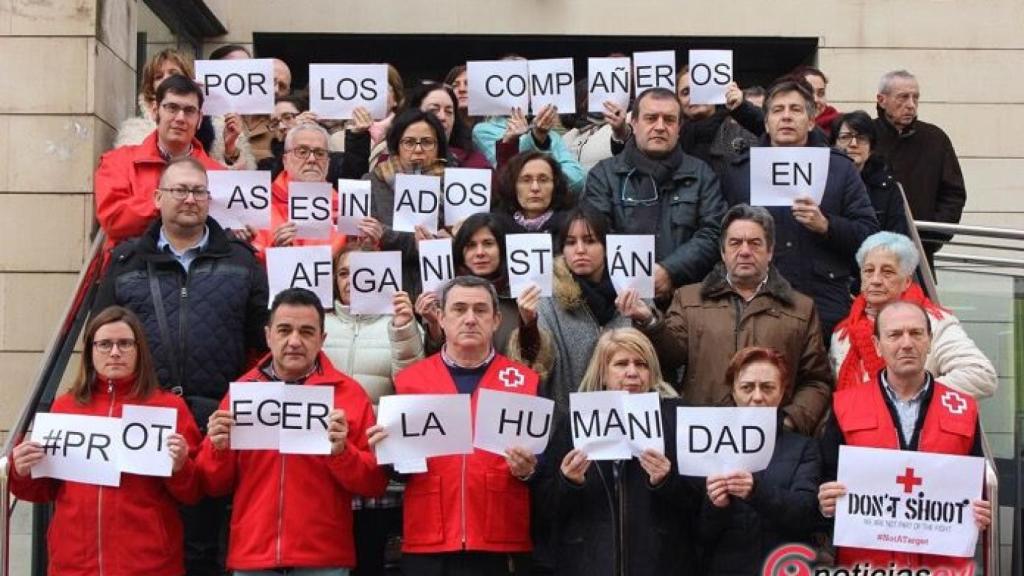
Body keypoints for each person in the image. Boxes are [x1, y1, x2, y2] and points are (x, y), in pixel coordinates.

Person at [92, 157, 269, 575]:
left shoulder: (243, 261)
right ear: (157, 198)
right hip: (141, 419)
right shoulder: (126, 261)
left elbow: (262, 344)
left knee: (204, 547)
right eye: (180, 190)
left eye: (198, 191)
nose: (190, 199)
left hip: (213, 423)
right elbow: (99, 337)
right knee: (140, 535)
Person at [199, 287, 389, 575]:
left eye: (307, 332)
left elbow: (374, 483)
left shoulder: (349, 394)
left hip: (322, 560)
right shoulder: (242, 393)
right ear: (268, 335)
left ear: (322, 339)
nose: (295, 341)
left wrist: (342, 453)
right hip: (253, 558)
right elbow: (213, 484)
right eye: (284, 330)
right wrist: (218, 448)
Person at [9, 306, 202, 575]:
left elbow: (194, 492)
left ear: (139, 350)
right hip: (74, 565)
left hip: (148, 566)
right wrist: (21, 472)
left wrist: (181, 467)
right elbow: (44, 491)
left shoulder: (169, 408)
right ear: (90, 351)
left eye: (124, 343)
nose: (114, 352)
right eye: (104, 344)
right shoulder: (65, 407)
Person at [367, 276, 541, 575]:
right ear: (441, 317)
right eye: (459, 309)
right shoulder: (410, 382)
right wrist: (387, 454)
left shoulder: (524, 382)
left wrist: (528, 470)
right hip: (429, 540)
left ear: (496, 320)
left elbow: (544, 464)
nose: (470, 319)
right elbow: (400, 472)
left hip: (499, 540)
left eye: (480, 310)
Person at [619, 204, 833, 435]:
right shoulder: (688, 298)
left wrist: (789, 422)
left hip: (773, 438)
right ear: (722, 252)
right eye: (735, 243)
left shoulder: (801, 308)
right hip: (703, 435)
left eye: (755, 243)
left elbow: (817, 381)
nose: (745, 251)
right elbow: (670, 356)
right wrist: (649, 320)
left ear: (770, 251)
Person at [818, 301, 992, 573]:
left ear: (930, 341)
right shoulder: (845, 405)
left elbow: (975, 485)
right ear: (877, 345)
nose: (907, 343)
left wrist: (980, 511)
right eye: (895, 335)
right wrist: (825, 501)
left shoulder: (963, 409)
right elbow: (826, 477)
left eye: (916, 333)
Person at [720, 79, 879, 336]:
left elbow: (869, 236)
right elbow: (720, 236)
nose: (786, 117)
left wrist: (827, 226)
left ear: (812, 120)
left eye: (795, 109)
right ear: (766, 122)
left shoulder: (839, 168)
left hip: (823, 304)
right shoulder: (740, 171)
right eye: (778, 110)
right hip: (756, 303)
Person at [540, 328, 697, 576]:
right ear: (602, 372)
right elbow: (546, 506)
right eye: (621, 364)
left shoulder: (676, 419)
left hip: (659, 564)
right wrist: (569, 482)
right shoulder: (574, 424)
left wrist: (666, 481)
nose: (632, 372)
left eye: (641, 364)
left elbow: (699, 503)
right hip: (589, 564)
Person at [323, 244, 424, 576]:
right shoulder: (317, 322)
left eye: (360, 272)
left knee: (369, 560)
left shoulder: (399, 324)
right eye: (343, 273)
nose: (351, 280)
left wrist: (404, 328)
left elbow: (412, 387)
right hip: (326, 467)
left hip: (376, 465)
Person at [584, 87, 727, 302]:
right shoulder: (603, 175)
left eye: (669, 120)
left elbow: (714, 232)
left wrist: (670, 271)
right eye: (651, 118)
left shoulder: (702, 174)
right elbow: (595, 235)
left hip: (687, 299)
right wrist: (635, 279)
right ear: (634, 123)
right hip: (618, 300)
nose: (660, 127)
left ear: (679, 127)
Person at [700, 347, 821, 575]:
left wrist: (756, 492)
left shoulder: (804, 448)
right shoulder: (708, 443)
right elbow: (697, 531)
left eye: (767, 387)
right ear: (733, 391)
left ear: (782, 392)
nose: (757, 397)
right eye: (747, 387)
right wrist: (716, 506)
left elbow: (806, 515)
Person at [831, 232, 997, 397]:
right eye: (868, 271)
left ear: (907, 281)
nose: (875, 280)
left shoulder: (934, 322)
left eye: (887, 272)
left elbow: (981, 376)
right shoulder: (842, 334)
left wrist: (913, 398)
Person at [507, 206, 636, 415]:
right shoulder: (547, 298)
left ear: (606, 247)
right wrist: (528, 325)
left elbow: (661, 363)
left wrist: (649, 321)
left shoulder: (634, 292)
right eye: (570, 242)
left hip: (629, 416)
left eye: (590, 241)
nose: (580, 249)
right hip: (567, 421)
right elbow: (536, 369)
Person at [95, 75, 225, 249]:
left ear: (200, 118)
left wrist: (247, 234)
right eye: (172, 108)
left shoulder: (219, 174)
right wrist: (170, 202)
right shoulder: (119, 162)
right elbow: (114, 220)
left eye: (189, 110)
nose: (180, 118)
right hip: (134, 262)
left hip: (200, 262)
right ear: (155, 111)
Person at [418, 213, 546, 372]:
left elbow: (537, 361)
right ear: (461, 251)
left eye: (488, 243)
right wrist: (434, 325)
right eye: (471, 245)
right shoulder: (443, 295)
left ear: (502, 248)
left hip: (510, 383)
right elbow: (434, 362)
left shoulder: (525, 295)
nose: (480, 252)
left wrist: (529, 323)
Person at [874, 70, 967, 271]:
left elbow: (953, 194)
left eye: (915, 97)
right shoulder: (866, 137)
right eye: (903, 97)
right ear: (882, 100)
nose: (911, 105)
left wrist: (932, 236)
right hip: (870, 251)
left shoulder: (935, 139)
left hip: (919, 251)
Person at [114, 48, 255, 170]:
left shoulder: (221, 127)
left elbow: (240, 183)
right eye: (158, 77)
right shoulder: (135, 133)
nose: (166, 79)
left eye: (173, 73)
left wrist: (230, 150)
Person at [248, 122, 365, 260]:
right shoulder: (258, 204)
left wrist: (368, 243)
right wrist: (276, 252)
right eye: (302, 152)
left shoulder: (348, 208)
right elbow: (248, 264)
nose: (312, 159)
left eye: (320, 153)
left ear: (328, 162)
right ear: (285, 160)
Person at [368, 108, 450, 292]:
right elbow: (369, 230)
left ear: (439, 147)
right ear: (396, 145)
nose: (418, 149)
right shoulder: (372, 182)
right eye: (409, 142)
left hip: (438, 285)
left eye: (427, 142)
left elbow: (461, 232)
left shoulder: (455, 185)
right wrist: (413, 242)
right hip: (385, 285)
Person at [472, 97, 586, 193]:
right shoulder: (484, 131)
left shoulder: (551, 135)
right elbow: (508, 175)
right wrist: (536, 139)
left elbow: (576, 180)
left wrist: (540, 136)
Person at [257, 93, 372, 184]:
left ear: (309, 116)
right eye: (275, 123)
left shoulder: (334, 161)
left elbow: (353, 178)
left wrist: (357, 136)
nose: (281, 127)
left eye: (288, 117)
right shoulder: (267, 166)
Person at [830, 111, 909, 236]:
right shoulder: (823, 183)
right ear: (833, 145)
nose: (853, 144)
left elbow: (897, 235)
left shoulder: (886, 188)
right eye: (845, 137)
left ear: (871, 148)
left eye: (861, 138)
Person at [675, 67, 762, 177]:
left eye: (700, 89)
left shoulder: (741, 132)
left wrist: (742, 108)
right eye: (686, 92)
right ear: (678, 101)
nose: (694, 96)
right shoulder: (673, 139)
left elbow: (771, 134)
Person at [407, 82, 491, 169]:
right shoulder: (398, 163)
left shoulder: (476, 164)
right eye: (434, 110)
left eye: (449, 112)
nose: (442, 117)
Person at [495, 151, 573, 234]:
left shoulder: (571, 227)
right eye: (526, 180)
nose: (535, 188)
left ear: (556, 185)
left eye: (543, 180)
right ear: (512, 185)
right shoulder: (497, 228)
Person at [796, 66, 840, 138]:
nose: (815, 99)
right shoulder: (783, 127)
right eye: (808, 92)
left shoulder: (841, 127)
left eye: (821, 93)